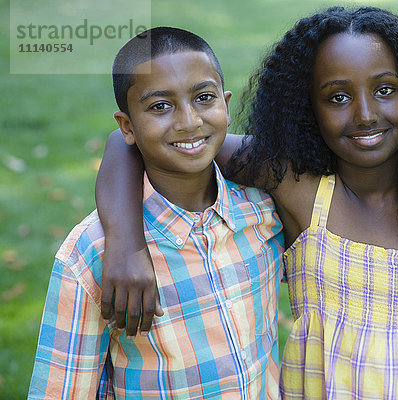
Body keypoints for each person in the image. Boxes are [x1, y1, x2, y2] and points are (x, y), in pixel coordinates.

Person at [94, 7, 398, 400]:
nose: (364, 114)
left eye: (384, 90)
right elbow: (127, 144)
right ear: (307, 108)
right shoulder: (297, 188)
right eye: (337, 97)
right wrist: (127, 244)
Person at [28, 27, 284, 399]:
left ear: (226, 106)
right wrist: (128, 244)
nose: (188, 121)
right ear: (127, 127)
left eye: (204, 98)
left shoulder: (264, 210)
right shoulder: (92, 254)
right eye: (160, 106)